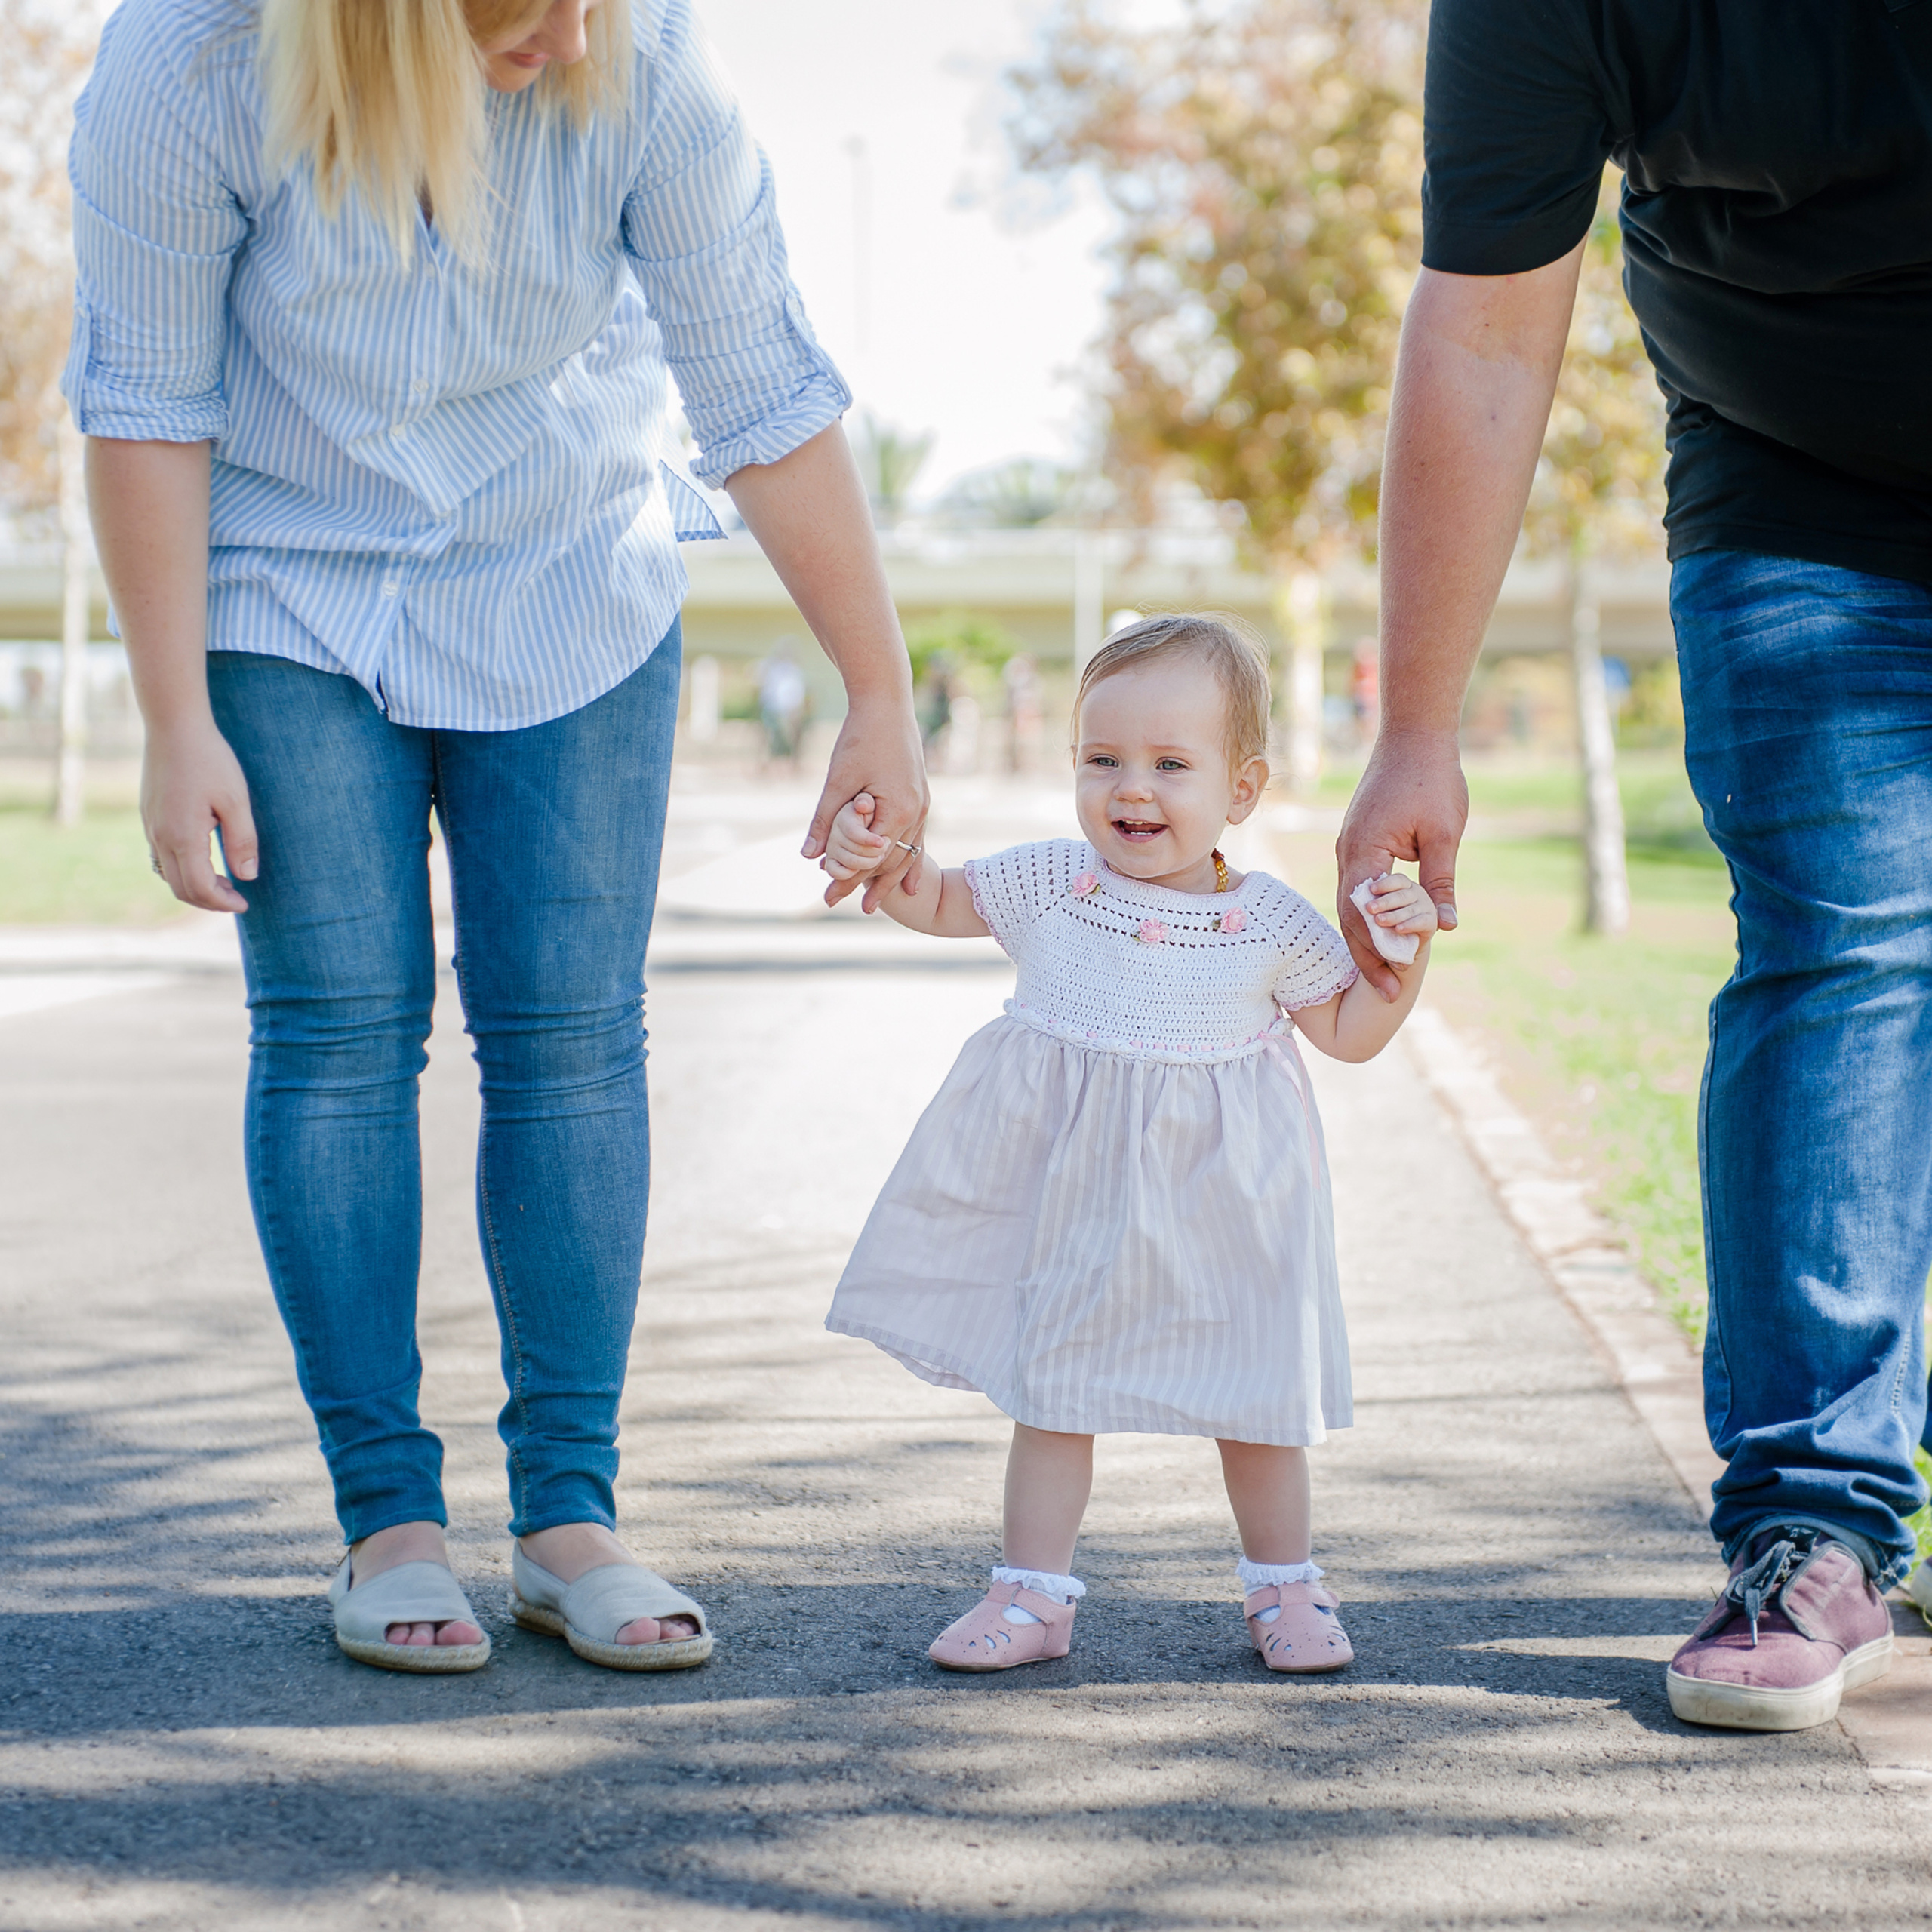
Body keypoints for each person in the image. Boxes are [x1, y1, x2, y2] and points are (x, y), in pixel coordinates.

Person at [68, 0, 925, 1675]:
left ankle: (567, 1516)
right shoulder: (188, 63)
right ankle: (386, 1515)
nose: (575, 26)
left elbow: (758, 379)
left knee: (569, 1038)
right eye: (526, 2)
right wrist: (174, 717)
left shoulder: (647, 60)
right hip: (286, 581)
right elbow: (146, 400)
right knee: (334, 1031)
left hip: (565, 568)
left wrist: (876, 687)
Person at [1339, 0, 1932, 1730]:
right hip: (1795, 466)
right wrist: (1416, 729)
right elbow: (1485, 332)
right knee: (1843, 945)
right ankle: (1811, 1524)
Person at [820, 614, 1438, 1671]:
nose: (1131, 790)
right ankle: (1032, 1594)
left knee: (1255, 1398)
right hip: (1079, 1200)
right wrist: (880, 855)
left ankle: (1285, 1588)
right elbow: (933, 896)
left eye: (1168, 765)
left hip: (1230, 1206)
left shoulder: (1269, 924)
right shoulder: (1057, 884)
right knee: (1053, 1389)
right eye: (1102, 761)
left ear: (1241, 790)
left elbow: (1351, 1033)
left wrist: (1405, 951)